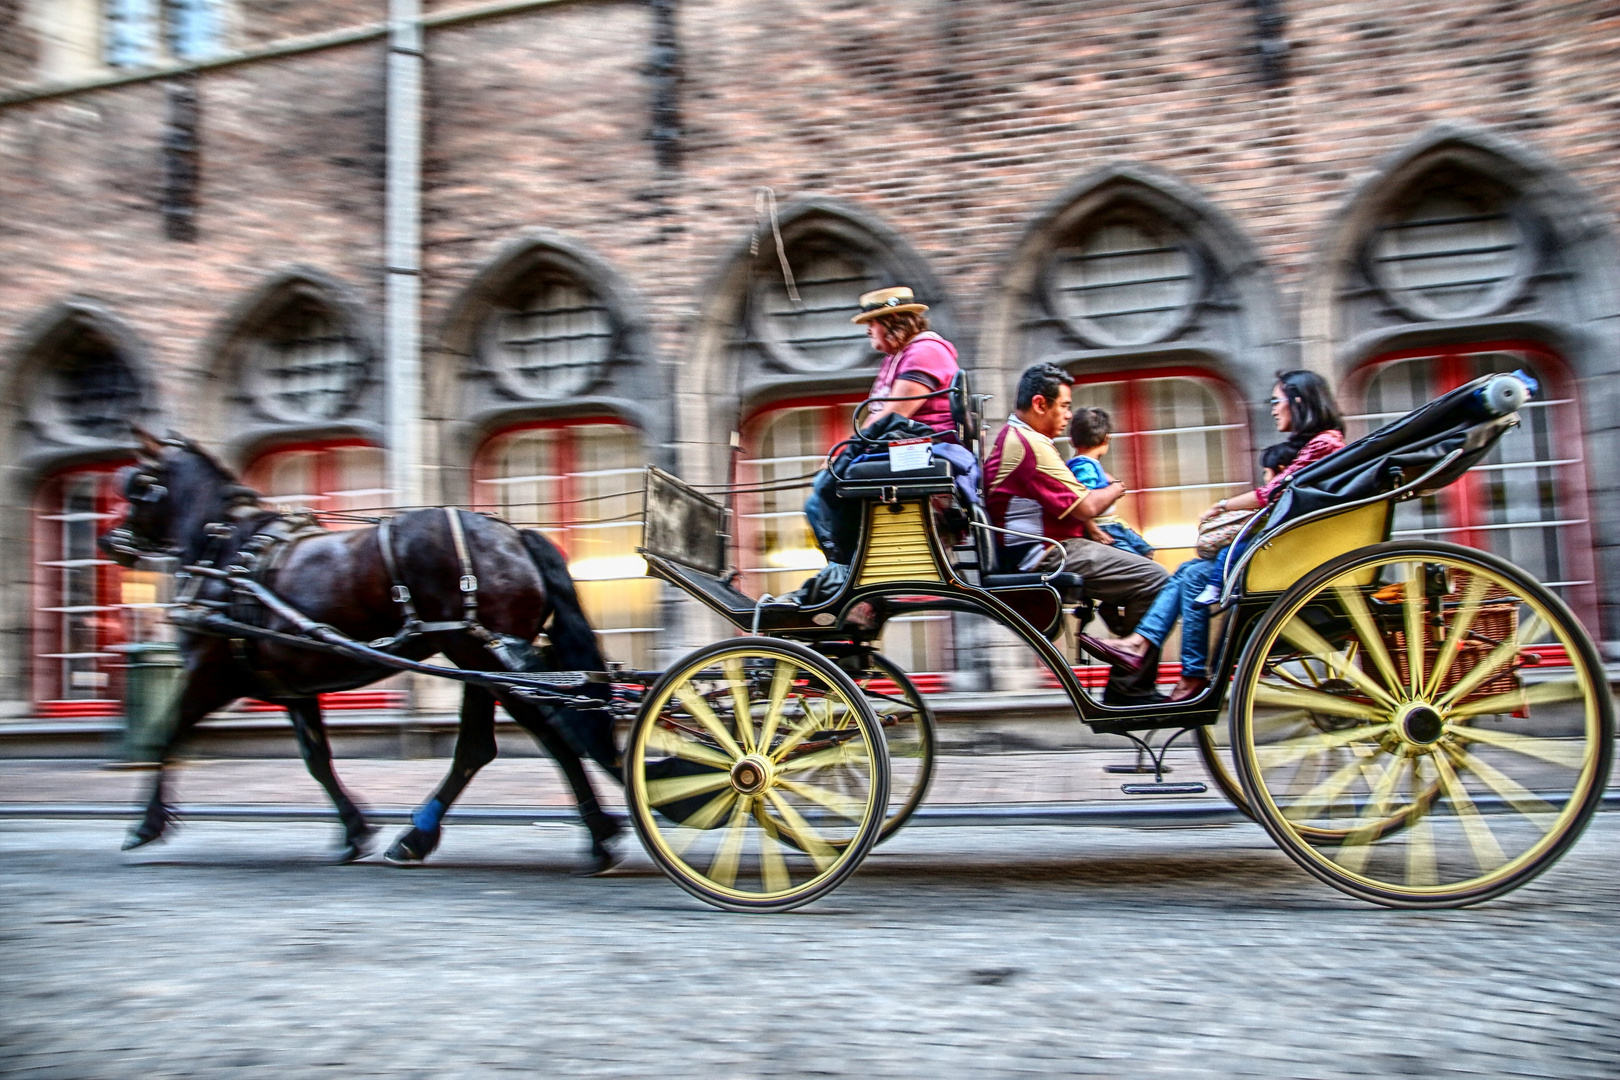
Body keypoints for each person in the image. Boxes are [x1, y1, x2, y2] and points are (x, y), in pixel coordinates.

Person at [1084, 370, 1345, 702]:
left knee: (1193, 578)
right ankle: (1143, 645)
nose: (1273, 409)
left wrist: (1222, 506)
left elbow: (1276, 492)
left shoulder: (1326, 443)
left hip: (1294, 554)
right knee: (1185, 572)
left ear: (1297, 401)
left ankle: (1186, 672)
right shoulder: (1322, 443)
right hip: (1288, 547)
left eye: (1276, 401)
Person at [985, 363, 1170, 705]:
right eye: (1065, 406)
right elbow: (1085, 506)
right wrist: (1117, 487)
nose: (1069, 415)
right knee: (1157, 579)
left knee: (1141, 569)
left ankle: (1126, 653)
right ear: (1041, 404)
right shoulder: (1029, 445)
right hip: (1047, 555)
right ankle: (1128, 689)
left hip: (1051, 548)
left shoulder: (1022, 440)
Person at [800, 286, 961, 575]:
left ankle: (846, 572)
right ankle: (845, 569)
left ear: (891, 322)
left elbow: (896, 413)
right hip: (904, 446)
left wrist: (844, 451)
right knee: (820, 494)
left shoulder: (926, 351)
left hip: (922, 450)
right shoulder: (900, 357)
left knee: (830, 484)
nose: (867, 330)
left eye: (870, 323)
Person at [1065, 407, 1154, 558]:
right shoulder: (1084, 467)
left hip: (1114, 523)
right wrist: (1093, 530)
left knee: (1146, 552)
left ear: (1071, 440)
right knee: (1136, 561)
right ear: (1106, 439)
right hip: (1104, 527)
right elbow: (1082, 500)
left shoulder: (1088, 465)